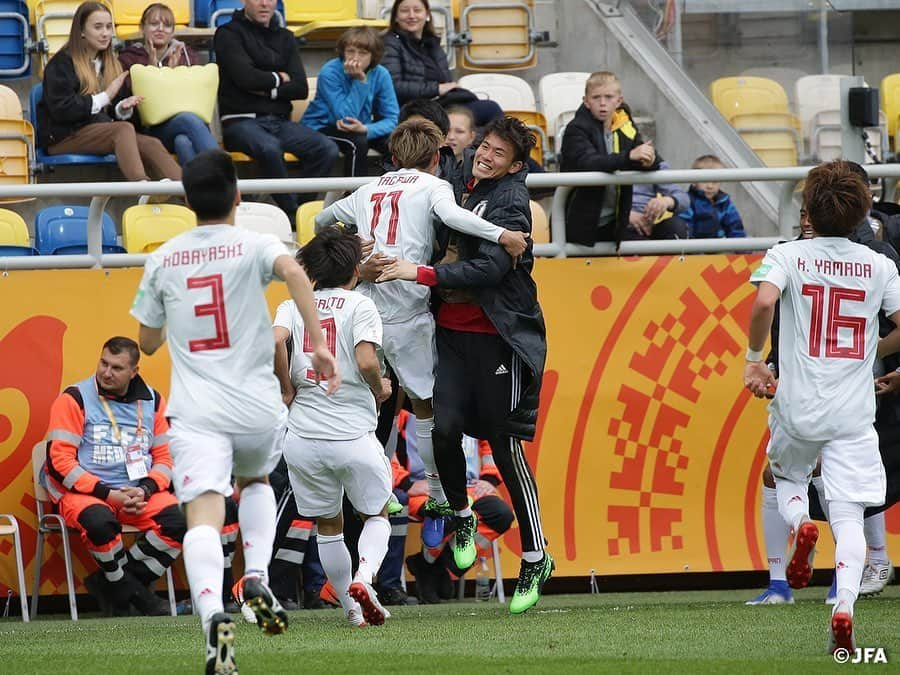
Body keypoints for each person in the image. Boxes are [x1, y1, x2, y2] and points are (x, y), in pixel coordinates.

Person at [130, 149, 338, 674]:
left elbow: (147, 343)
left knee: (202, 512)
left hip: (197, 409)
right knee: (258, 480)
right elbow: (293, 268)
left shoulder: (163, 257)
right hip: (256, 404)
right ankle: (259, 578)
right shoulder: (256, 243)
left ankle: (213, 623)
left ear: (186, 201)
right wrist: (317, 342)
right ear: (238, 197)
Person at [314, 119, 528, 550]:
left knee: (371, 404)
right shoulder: (434, 187)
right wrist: (502, 234)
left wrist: (353, 249)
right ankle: (435, 493)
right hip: (409, 311)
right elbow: (455, 218)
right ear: (436, 158)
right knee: (425, 407)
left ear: (393, 158)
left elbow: (321, 220)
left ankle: (375, 493)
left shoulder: (366, 190)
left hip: (367, 311)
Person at [376, 116, 552, 614]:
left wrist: (421, 272)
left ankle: (536, 557)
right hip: (451, 336)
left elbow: (493, 269)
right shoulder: (453, 182)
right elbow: (417, 161)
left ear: (515, 165)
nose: (486, 155)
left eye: (499, 153)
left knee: (506, 446)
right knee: (442, 429)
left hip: (499, 340)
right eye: (485, 146)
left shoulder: (512, 201)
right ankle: (461, 514)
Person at [743, 159, 900, 653]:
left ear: (807, 209)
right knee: (850, 512)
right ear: (862, 212)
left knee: (786, 477)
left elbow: (764, 303)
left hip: (798, 402)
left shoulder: (788, 254)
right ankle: (845, 606)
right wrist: (870, 352)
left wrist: (753, 361)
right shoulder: (880, 264)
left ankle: (801, 527)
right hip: (854, 408)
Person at [274, 227, 393, 628]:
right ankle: (364, 579)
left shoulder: (292, 305)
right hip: (353, 434)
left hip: (304, 438)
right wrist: (380, 389)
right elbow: (364, 362)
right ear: (355, 268)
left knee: (328, 526)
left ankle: (353, 611)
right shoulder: (360, 305)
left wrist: (287, 387)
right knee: (376, 514)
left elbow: (275, 341)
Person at [43, 336, 183, 617]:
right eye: (103, 363)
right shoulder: (74, 398)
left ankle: (115, 586)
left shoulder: (154, 402)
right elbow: (59, 463)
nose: (106, 372)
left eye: (117, 368)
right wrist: (109, 494)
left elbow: (165, 459)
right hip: (85, 494)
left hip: (136, 492)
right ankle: (131, 593)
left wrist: (144, 489)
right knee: (99, 523)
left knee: (182, 519)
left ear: (134, 372)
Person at [214, 0, 339, 219]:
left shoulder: (286, 37)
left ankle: (298, 210)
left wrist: (267, 88)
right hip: (240, 121)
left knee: (326, 148)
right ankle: (293, 215)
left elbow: (300, 87)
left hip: (280, 122)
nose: (264, 4)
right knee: (270, 149)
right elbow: (246, 78)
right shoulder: (227, 33)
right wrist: (279, 78)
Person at [37, 2, 181, 189]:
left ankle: (193, 196)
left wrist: (122, 108)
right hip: (63, 136)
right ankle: (143, 187)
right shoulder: (62, 63)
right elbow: (63, 111)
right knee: (122, 130)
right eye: (98, 27)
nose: (105, 33)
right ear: (81, 30)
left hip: (98, 130)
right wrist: (105, 96)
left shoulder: (110, 63)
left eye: (108, 27)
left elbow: (113, 112)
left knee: (151, 143)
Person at [559, 71, 657, 246]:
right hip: (581, 225)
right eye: (596, 97)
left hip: (615, 222)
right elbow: (589, 162)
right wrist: (630, 156)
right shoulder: (575, 129)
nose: (602, 103)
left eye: (609, 97)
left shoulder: (625, 124)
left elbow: (646, 155)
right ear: (586, 101)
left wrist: (648, 159)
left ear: (619, 101)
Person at [118, 3, 219, 165]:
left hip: (185, 128)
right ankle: (228, 180)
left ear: (172, 31)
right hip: (151, 131)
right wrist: (155, 70)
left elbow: (196, 98)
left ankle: (193, 190)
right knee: (188, 120)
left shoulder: (187, 56)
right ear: (142, 28)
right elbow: (132, 106)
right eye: (154, 24)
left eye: (167, 25)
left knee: (183, 142)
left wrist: (173, 75)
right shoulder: (128, 59)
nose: (160, 29)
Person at [381, 0, 502, 127]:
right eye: (405, 11)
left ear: (427, 14)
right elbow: (393, 86)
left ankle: (476, 146)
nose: (411, 15)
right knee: (488, 110)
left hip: (440, 104)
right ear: (395, 16)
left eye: (417, 10)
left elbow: (446, 80)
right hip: (413, 110)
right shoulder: (390, 43)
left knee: (489, 109)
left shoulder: (432, 43)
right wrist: (437, 89)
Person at [301, 27, 399, 177]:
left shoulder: (381, 74)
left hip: (361, 127)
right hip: (322, 126)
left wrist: (366, 129)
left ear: (373, 56)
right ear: (342, 52)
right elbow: (345, 118)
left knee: (396, 144)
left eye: (363, 53)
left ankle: (391, 190)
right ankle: (353, 195)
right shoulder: (330, 71)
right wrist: (360, 81)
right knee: (357, 143)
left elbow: (392, 118)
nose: (355, 58)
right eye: (350, 51)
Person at [679, 155, 746, 239]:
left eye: (715, 181)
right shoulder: (688, 201)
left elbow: (735, 227)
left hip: (719, 246)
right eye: (705, 181)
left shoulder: (725, 203)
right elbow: (686, 228)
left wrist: (741, 248)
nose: (710, 186)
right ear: (694, 181)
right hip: (695, 248)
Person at [626, 160, 689, 240]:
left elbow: (684, 199)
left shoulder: (655, 162)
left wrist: (667, 201)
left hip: (648, 227)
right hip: (616, 225)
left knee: (677, 227)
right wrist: (624, 215)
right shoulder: (608, 158)